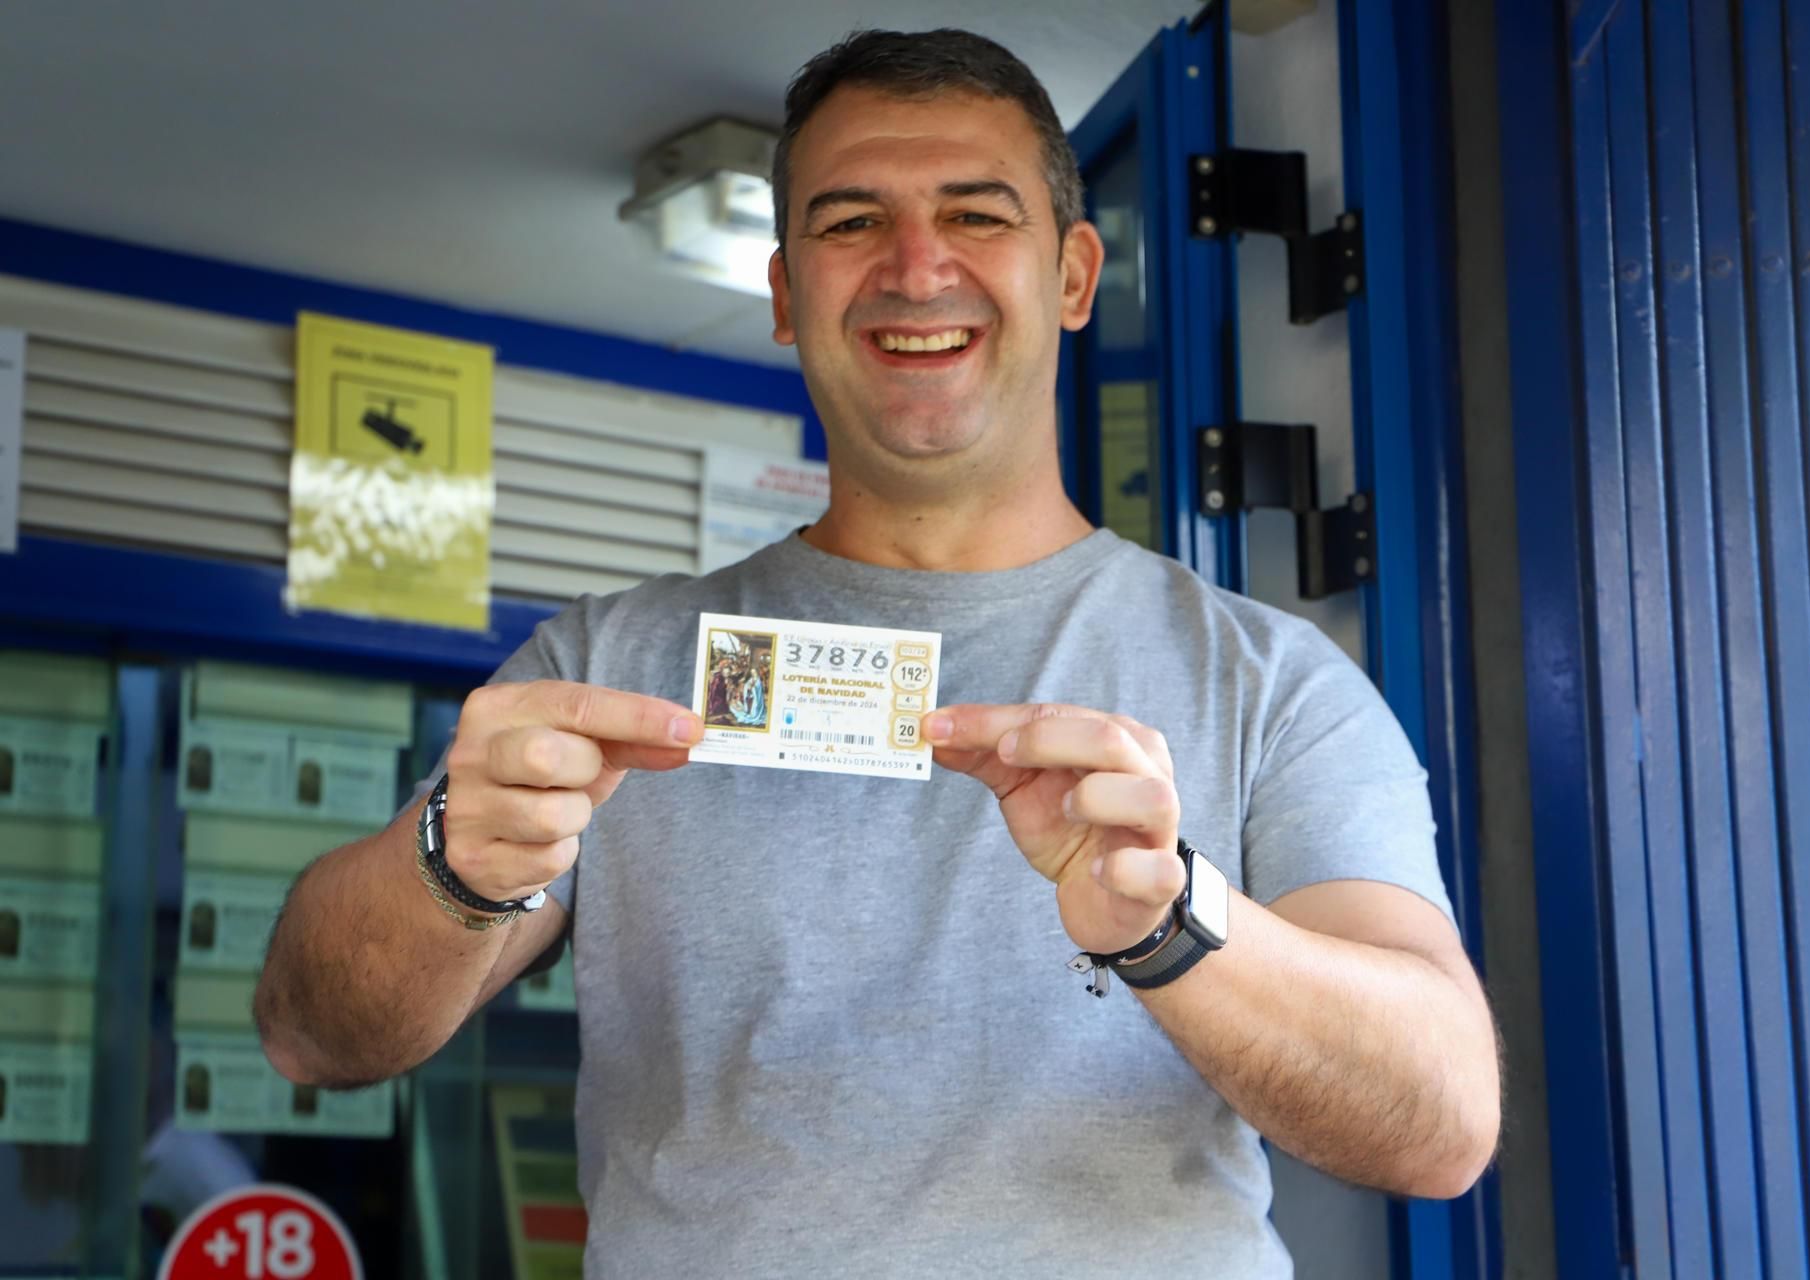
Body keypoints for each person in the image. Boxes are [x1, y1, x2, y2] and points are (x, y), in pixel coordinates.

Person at [255, 27, 1500, 1277]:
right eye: (851, 222)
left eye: (977, 213)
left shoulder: (1269, 681)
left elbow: (1443, 1120)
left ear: (1074, 276)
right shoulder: (609, 662)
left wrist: (1176, 922)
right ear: (787, 293)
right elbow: (311, 1034)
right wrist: (449, 870)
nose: (917, 267)